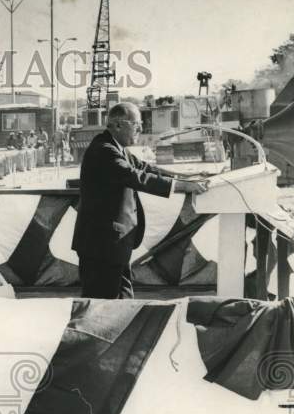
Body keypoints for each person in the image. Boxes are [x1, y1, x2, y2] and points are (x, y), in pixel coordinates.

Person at [73, 102, 208, 299]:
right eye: (136, 125)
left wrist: (188, 177)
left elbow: (148, 169)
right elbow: (135, 176)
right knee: (101, 306)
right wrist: (182, 187)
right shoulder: (103, 150)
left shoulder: (117, 147)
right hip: (101, 248)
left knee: (124, 302)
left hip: (114, 245)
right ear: (118, 125)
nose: (140, 130)